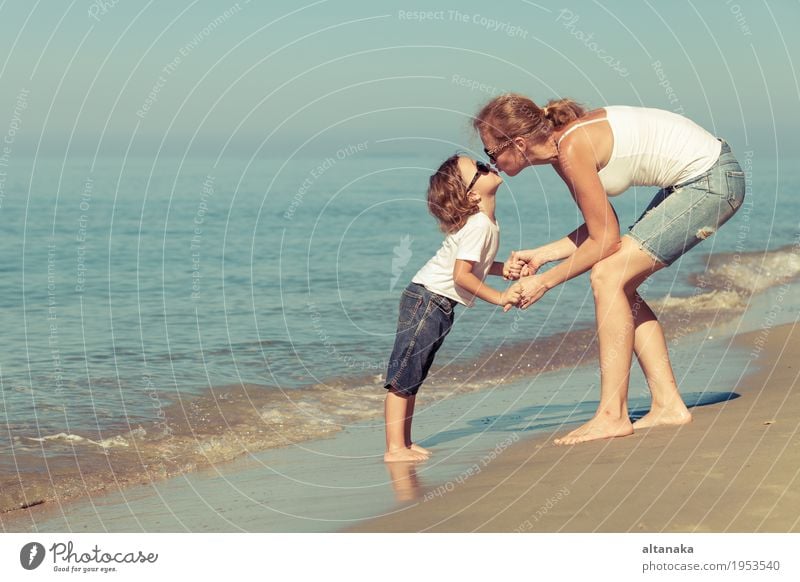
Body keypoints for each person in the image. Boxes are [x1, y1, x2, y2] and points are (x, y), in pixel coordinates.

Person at [474, 94, 746, 445]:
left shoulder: (572, 148)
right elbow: (601, 228)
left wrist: (545, 282)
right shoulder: (562, 148)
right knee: (619, 281)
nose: (490, 163)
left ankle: (612, 415)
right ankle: (667, 404)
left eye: (491, 153)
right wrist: (543, 255)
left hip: (712, 181)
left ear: (520, 144)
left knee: (607, 276)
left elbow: (605, 242)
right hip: (701, 180)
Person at [384, 154, 522, 462]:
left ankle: (403, 443)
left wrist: (504, 270)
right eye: (480, 168)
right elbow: (462, 275)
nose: (488, 166)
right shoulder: (480, 225)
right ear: (473, 195)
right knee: (405, 371)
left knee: (415, 371)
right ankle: (394, 447)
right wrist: (500, 297)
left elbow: (476, 264)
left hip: (434, 300)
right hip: (428, 298)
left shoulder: (484, 224)